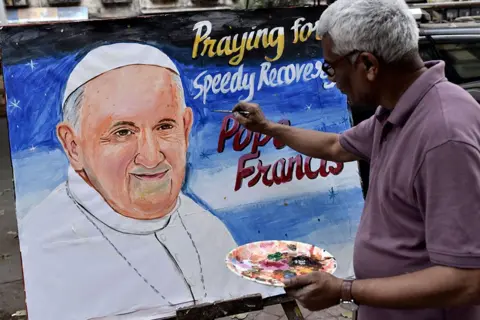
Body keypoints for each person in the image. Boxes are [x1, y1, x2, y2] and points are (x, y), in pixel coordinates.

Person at [232, 0, 480, 319]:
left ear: (367, 64)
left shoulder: (444, 134)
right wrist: (267, 128)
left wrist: (344, 290)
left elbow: (468, 279)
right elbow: (336, 146)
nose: (331, 80)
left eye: (331, 67)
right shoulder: (398, 112)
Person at [20, 42, 281, 320]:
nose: (151, 157)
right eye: (122, 132)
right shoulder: (48, 245)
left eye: (165, 127)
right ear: (73, 145)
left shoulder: (206, 228)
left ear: (186, 127)